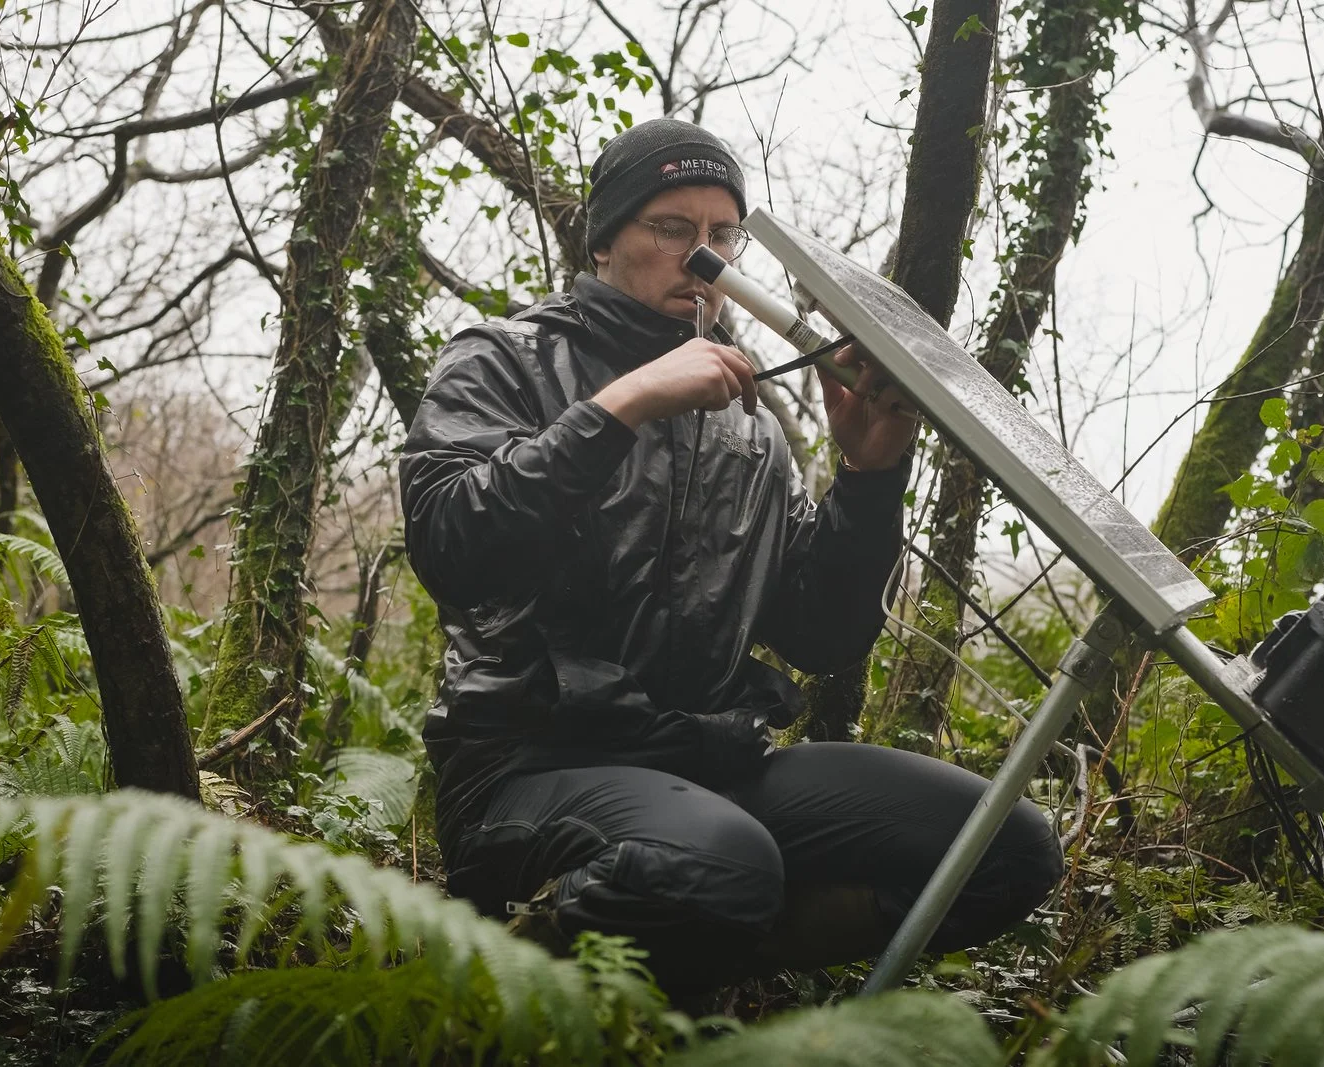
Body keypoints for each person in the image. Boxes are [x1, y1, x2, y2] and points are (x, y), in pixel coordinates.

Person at [399, 117, 1061, 992]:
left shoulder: (750, 424)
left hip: (708, 770)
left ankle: (709, 941)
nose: (703, 258)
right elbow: (450, 540)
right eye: (671, 228)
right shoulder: (505, 358)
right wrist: (621, 405)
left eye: (722, 234)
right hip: (527, 772)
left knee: (1006, 847)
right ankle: (512, 983)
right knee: (720, 859)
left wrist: (867, 478)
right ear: (604, 239)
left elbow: (820, 638)